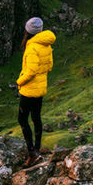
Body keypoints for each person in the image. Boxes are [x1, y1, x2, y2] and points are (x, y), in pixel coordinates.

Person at [16, 16, 56, 167]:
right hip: (40, 89)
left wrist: (19, 82)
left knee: (22, 119)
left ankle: (32, 153)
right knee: (36, 118)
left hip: (29, 90)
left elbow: (31, 71)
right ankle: (37, 150)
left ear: (28, 31)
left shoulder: (32, 47)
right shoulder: (45, 44)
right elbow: (49, 66)